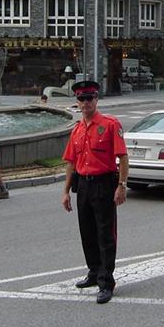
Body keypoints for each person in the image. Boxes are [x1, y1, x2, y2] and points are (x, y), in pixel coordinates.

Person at [61, 80, 129, 304]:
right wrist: (65, 191)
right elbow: (71, 162)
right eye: (81, 99)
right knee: (87, 232)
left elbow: (123, 157)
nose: (86, 103)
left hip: (104, 184)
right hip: (84, 186)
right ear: (77, 102)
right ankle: (93, 272)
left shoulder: (110, 124)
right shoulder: (77, 129)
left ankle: (106, 281)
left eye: (89, 98)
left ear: (96, 99)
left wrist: (121, 185)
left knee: (105, 235)